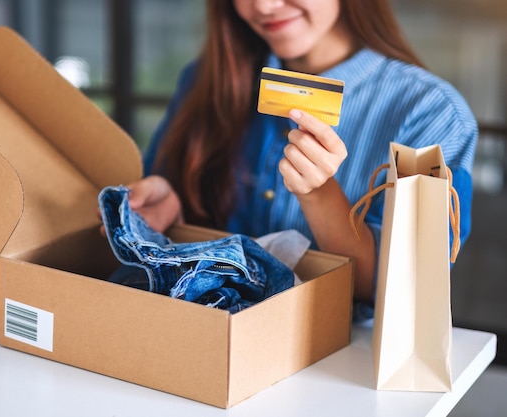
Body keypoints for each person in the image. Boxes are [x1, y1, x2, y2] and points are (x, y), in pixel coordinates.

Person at [122, 0, 478, 315]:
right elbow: (177, 244)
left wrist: (318, 192)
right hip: (198, 335)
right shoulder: (207, 79)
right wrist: (171, 203)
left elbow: (399, 289)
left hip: (336, 362)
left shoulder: (433, 114)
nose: (262, 6)